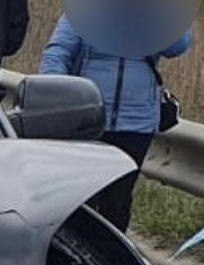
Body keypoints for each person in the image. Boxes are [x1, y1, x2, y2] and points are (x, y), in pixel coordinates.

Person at [39, 14, 193, 232]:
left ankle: (112, 260)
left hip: (136, 123)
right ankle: (76, 258)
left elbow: (179, 46)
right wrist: (56, 98)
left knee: (118, 202)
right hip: (88, 118)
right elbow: (57, 53)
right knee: (82, 200)